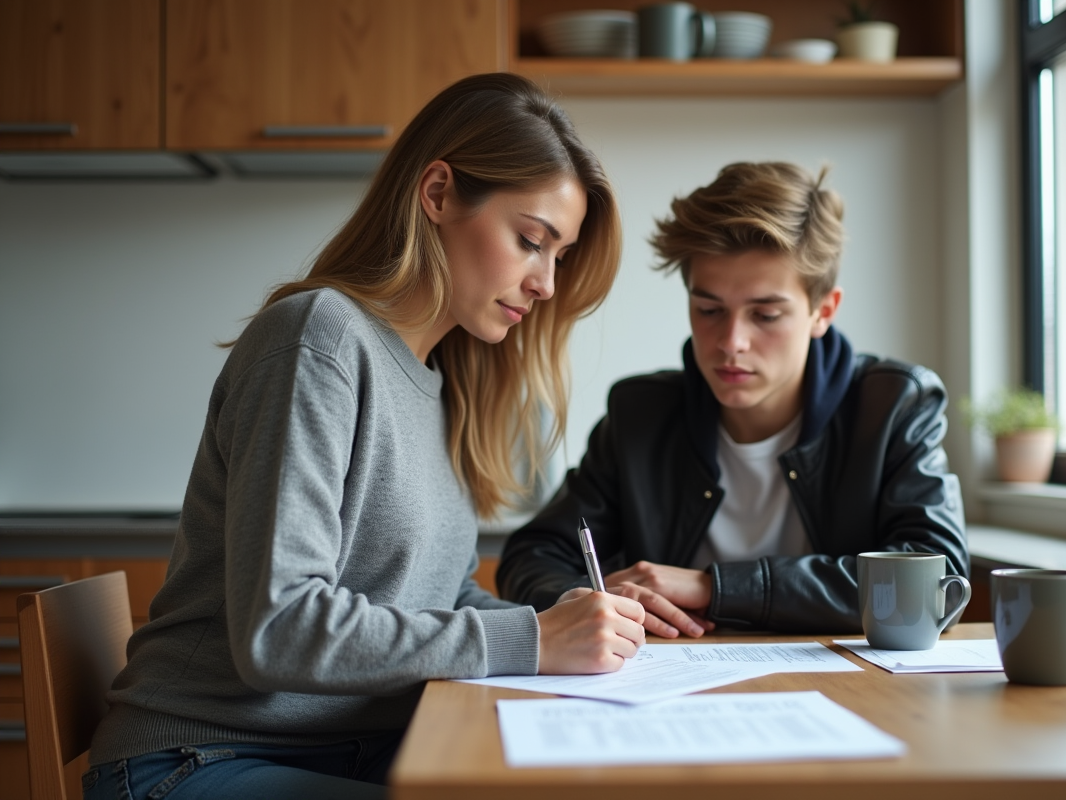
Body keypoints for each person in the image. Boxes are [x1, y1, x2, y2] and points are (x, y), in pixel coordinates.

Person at [84, 73, 647, 800]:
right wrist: (534, 640)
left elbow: (436, 598)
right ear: (438, 194)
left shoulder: (443, 380)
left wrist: (571, 621)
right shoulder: (319, 340)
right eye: (530, 240)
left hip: (356, 747)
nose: (544, 282)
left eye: (559, 257)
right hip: (202, 759)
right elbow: (280, 628)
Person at [497, 161, 968, 638]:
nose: (731, 341)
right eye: (709, 310)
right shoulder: (641, 414)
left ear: (823, 311)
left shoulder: (893, 406)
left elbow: (940, 581)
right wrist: (580, 602)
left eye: (765, 315)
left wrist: (713, 587)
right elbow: (533, 556)